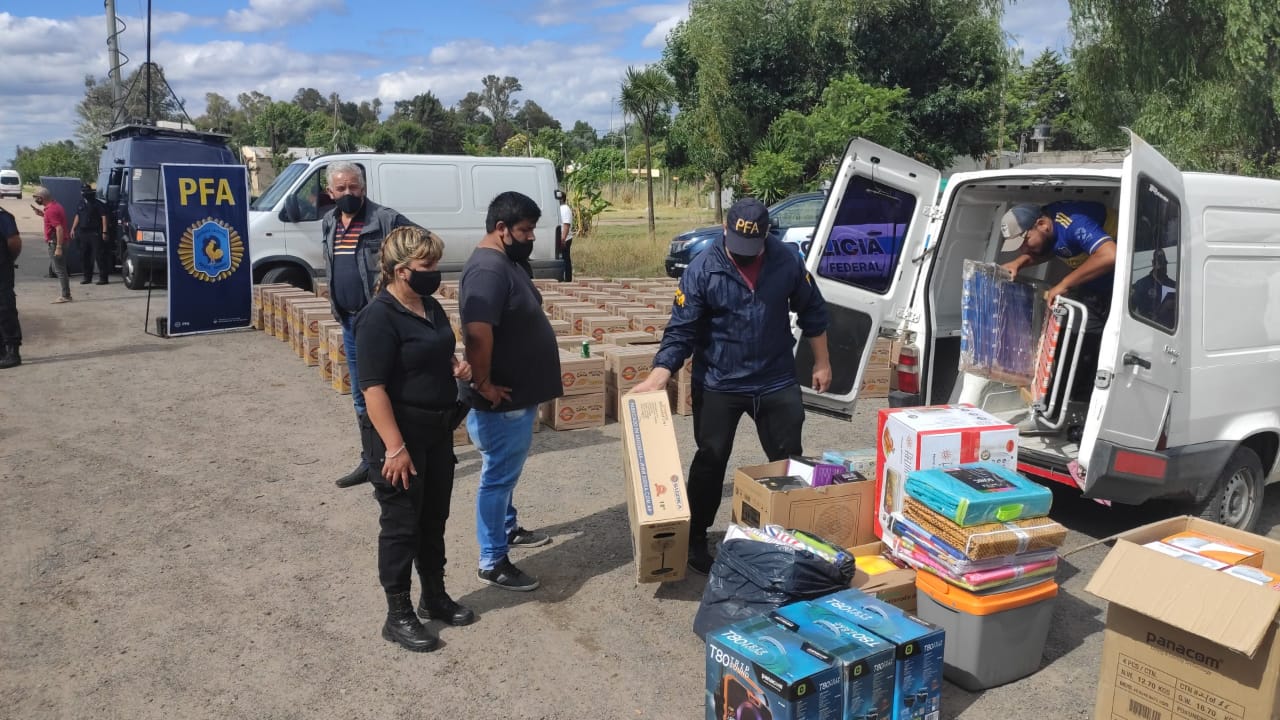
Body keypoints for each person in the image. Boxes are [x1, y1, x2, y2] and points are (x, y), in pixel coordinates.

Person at [632, 197, 832, 575]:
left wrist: (822, 361)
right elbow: (681, 330)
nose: (745, 256)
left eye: (752, 248)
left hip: (775, 378)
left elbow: (813, 310)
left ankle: (788, 533)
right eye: (738, 247)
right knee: (710, 459)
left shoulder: (786, 260)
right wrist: (661, 374)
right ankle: (695, 537)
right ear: (725, 230)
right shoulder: (702, 269)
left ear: (766, 236)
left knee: (789, 459)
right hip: (720, 381)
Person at [356, 225, 475, 652]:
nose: (435, 273)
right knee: (401, 526)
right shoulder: (377, 318)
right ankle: (398, 613)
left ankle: (434, 596)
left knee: (433, 519)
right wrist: (395, 448)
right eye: (428, 266)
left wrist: (456, 367)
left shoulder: (430, 306)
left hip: (436, 433)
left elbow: (439, 351)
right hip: (398, 440)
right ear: (401, 270)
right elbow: (373, 390)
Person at [459, 191, 563, 592]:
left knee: (505, 473)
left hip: (517, 397)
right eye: (525, 230)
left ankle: (507, 528)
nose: (531, 237)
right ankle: (492, 559)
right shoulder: (487, 271)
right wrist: (483, 383)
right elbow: (477, 334)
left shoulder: (508, 261)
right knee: (497, 478)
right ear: (500, 229)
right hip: (500, 401)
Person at [321, 161, 419, 489]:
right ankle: (371, 459)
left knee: (391, 389)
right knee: (362, 394)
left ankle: (410, 451)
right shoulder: (329, 223)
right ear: (330, 192)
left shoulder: (385, 219)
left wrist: (399, 287)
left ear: (363, 188)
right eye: (342, 189)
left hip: (381, 323)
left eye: (354, 187)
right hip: (350, 322)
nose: (349, 193)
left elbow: (422, 243)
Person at [999, 201, 1116, 402]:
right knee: (1078, 345)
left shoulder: (1073, 223)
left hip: (1124, 286)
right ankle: (1069, 402)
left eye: (1025, 242)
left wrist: (1064, 284)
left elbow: (1109, 255)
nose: (1023, 249)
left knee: (1095, 348)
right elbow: (1050, 248)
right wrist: (1019, 263)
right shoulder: (1049, 230)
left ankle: (1081, 403)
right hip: (1096, 286)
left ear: (1042, 224)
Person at [33, 187, 71, 303]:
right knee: (60, 269)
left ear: (41, 198)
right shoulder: (55, 206)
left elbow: (59, 229)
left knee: (60, 270)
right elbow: (54, 222)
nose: (36, 200)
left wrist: (58, 247)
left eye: (36, 198)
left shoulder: (50, 210)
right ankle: (66, 294)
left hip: (56, 242)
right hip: (61, 241)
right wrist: (42, 215)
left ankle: (66, 295)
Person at [71, 184, 109, 285]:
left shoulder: (97, 204)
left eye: (86, 191)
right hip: (83, 232)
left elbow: (104, 217)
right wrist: (73, 228)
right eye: (83, 191)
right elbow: (78, 216)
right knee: (84, 256)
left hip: (95, 232)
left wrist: (104, 232)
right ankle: (87, 277)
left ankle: (103, 278)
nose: (84, 193)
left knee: (99, 255)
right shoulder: (81, 203)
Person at [1130, 245, 1177, 328]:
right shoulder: (1142, 284)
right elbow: (1130, 310)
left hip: (1171, 331)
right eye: (1159, 263)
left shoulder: (1174, 285)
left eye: (1164, 264)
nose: (1162, 267)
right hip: (1148, 329)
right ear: (1153, 263)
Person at [0, 206, 21, 369]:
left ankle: (12, 351)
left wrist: (7, 260)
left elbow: (14, 242)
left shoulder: (4, 217)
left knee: (5, 309)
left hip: (2, 270)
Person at [556, 189, 573, 282]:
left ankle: (568, 279)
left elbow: (566, 225)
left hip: (565, 238)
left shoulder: (565, 209)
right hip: (562, 238)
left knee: (565, 260)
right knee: (563, 259)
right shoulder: (560, 208)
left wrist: (563, 239)